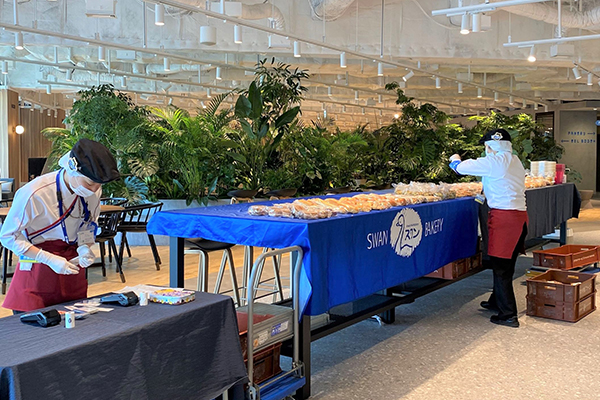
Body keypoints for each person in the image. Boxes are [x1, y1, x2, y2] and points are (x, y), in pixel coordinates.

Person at [0, 139, 120, 313]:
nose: (94, 190)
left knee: (75, 330)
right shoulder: (35, 192)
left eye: (99, 185)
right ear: (72, 169)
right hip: (37, 266)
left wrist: (84, 248)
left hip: (71, 266)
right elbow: (8, 236)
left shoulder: (92, 191)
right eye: (89, 183)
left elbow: (87, 225)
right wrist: (48, 258)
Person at [449, 128, 528, 328]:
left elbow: (459, 168)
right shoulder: (514, 161)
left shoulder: (494, 162)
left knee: (501, 268)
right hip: (518, 218)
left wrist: (454, 158)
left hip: (505, 220)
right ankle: (496, 301)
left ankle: (508, 314)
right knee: (507, 265)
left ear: (490, 147)